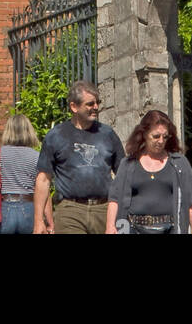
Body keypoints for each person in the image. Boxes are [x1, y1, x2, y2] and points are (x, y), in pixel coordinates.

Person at [33, 80, 124, 235]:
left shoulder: (107, 134)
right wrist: (38, 221)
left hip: (103, 209)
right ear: (74, 107)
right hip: (70, 210)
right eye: (89, 104)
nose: (95, 107)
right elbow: (43, 179)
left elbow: (123, 174)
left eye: (97, 103)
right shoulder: (56, 136)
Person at [106, 109, 192, 235]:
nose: (161, 141)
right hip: (132, 229)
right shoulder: (128, 164)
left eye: (165, 136)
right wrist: (110, 226)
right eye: (156, 136)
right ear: (144, 134)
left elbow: (190, 202)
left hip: (170, 229)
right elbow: (114, 199)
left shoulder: (179, 163)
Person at [0, 113, 52, 235]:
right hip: (28, 207)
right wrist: (50, 223)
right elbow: (44, 191)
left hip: (4, 207)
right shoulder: (37, 157)